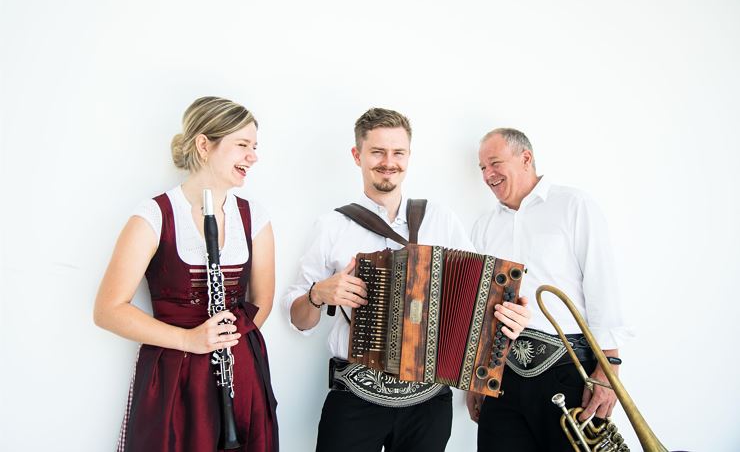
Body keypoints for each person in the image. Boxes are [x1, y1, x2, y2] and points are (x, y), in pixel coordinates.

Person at [282, 108, 531, 452]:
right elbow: (298, 320)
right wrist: (317, 294)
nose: (389, 162)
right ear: (358, 156)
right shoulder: (332, 226)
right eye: (377, 152)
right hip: (355, 397)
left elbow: (483, 298)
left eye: (398, 152)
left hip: (429, 404)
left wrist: (510, 318)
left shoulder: (440, 219)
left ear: (409, 156)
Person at [94, 96, 278, 452]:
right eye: (242, 145)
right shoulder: (153, 216)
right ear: (204, 145)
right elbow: (107, 310)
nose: (253, 156)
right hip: (174, 375)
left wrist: (227, 342)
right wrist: (191, 341)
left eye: (254, 147)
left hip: (242, 372)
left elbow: (262, 302)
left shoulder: (256, 217)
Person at [466, 128, 633, 452]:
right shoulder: (483, 226)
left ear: (526, 158)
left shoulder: (574, 205)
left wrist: (608, 370)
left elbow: (603, 288)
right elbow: (479, 306)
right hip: (501, 378)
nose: (488, 175)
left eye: (495, 163)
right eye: (482, 168)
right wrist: (476, 379)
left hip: (568, 370)